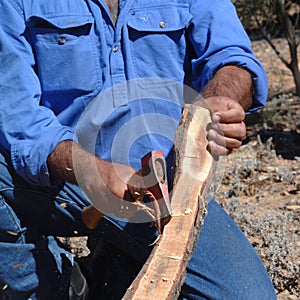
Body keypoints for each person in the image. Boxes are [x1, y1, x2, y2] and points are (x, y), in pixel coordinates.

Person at [0, 0, 277, 299]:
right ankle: (56, 287)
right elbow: (20, 118)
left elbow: (232, 57)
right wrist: (90, 170)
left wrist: (220, 100)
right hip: (65, 177)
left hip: (164, 189)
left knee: (247, 296)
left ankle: (111, 267)